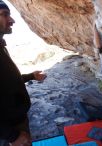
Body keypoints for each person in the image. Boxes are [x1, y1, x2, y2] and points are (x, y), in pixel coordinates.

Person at [0, 1, 46, 146]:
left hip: (16, 122)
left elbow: (7, 81)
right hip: (9, 130)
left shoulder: (1, 46)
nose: (12, 20)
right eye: (5, 15)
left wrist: (31, 76)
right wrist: (12, 136)